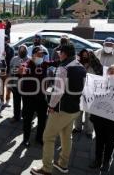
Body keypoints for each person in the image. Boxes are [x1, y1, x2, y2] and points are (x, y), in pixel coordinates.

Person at [31, 44, 86, 175]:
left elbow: (58, 92)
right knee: (67, 137)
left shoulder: (63, 68)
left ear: (65, 54)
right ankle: (63, 164)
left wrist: (51, 106)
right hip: (75, 109)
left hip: (61, 110)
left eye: (60, 52)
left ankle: (46, 169)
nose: (58, 54)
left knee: (48, 137)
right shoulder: (81, 67)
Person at [19, 46, 49, 147]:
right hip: (29, 98)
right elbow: (21, 70)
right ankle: (26, 139)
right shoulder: (27, 63)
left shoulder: (44, 64)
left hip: (41, 97)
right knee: (27, 120)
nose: (41, 56)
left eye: (43, 55)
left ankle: (39, 137)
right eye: (39, 54)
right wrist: (22, 70)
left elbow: (55, 62)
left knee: (42, 120)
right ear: (34, 55)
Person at [72, 49, 103, 139]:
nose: (85, 56)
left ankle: (89, 131)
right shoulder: (77, 63)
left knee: (89, 113)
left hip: (91, 92)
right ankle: (77, 128)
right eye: (83, 55)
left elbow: (100, 77)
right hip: (79, 91)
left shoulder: (96, 65)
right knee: (78, 111)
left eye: (87, 55)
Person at [9, 45, 29, 122]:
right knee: (16, 102)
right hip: (15, 85)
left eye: (23, 50)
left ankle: (25, 116)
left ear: (26, 51)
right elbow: (10, 71)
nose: (22, 52)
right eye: (20, 50)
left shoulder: (29, 60)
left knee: (26, 103)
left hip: (25, 86)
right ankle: (16, 116)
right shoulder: (14, 59)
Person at [0, 36, 14, 108]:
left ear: (7, 41)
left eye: (5, 40)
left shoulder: (10, 49)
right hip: (0, 71)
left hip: (8, 71)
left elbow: (12, 61)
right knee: (1, 87)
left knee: (8, 87)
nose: (3, 41)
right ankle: (1, 101)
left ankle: (7, 101)